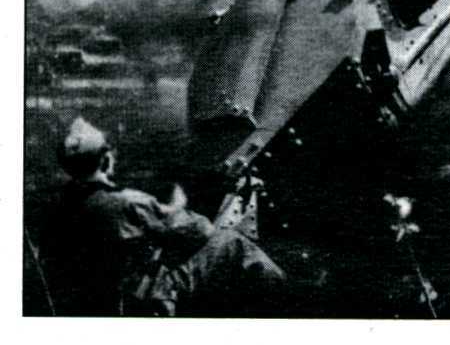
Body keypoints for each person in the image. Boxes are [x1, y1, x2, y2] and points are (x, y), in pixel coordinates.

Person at [40, 117, 285, 316]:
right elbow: (200, 231)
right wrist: (180, 199)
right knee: (231, 244)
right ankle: (288, 300)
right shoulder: (127, 201)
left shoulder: (56, 205)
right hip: (142, 296)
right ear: (105, 160)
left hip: (87, 298)